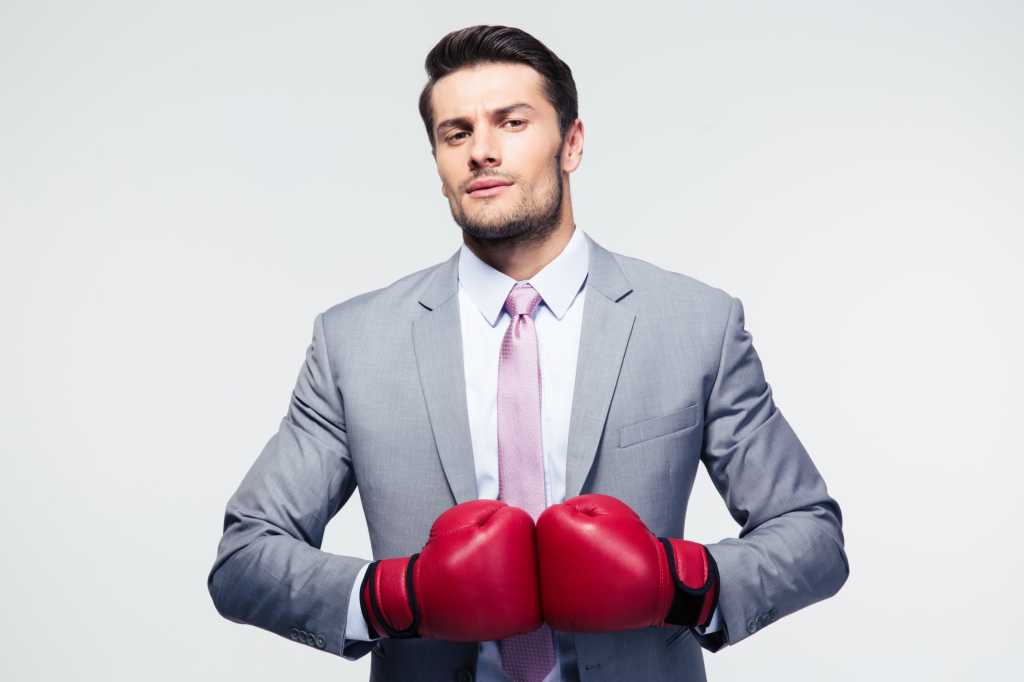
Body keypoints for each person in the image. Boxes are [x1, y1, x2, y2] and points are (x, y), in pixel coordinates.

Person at [207, 24, 849, 682]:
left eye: (511, 123)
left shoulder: (694, 324)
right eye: (456, 134)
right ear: (438, 165)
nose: (481, 151)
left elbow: (812, 536)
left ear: (571, 144)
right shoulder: (354, 343)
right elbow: (245, 558)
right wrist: (395, 598)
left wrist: (677, 582)